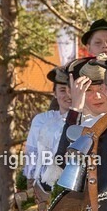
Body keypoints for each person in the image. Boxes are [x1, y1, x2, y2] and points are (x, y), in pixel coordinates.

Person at [23, 63, 73, 191]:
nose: (68, 95)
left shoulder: (87, 119)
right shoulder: (42, 120)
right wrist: (30, 182)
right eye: (62, 90)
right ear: (55, 93)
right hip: (43, 185)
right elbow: (32, 153)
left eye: (72, 90)